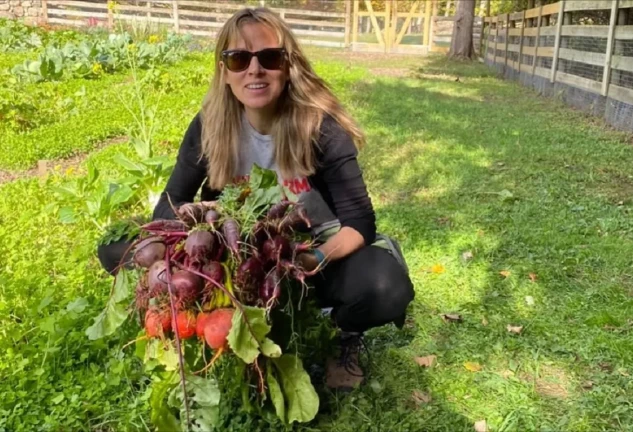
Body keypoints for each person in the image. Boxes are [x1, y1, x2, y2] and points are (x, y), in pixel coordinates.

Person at [97, 7, 414, 392]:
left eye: (269, 57)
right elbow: (172, 197)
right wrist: (195, 238)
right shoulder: (210, 125)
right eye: (238, 58)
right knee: (116, 249)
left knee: (384, 286)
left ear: (288, 65)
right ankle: (194, 314)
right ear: (224, 70)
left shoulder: (320, 128)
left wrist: (307, 262)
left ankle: (341, 332)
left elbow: (359, 223)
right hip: (234, 258)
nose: (254, 69)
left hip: (308, 255)